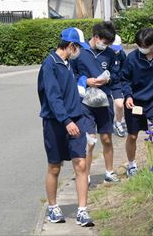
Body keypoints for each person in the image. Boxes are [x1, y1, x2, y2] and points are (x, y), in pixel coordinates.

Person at [37, 27, 94, 227]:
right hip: (56, 122)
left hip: (76, 118)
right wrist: (66, 121)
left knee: (81, 163)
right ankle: (53, 207)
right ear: (70, 46)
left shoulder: (70, 63)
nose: (79, 51)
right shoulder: (50, 65)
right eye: (78, 47)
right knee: (55, 166)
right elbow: (53, 97)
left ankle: (82, 210)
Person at [71, 21, 121, 184]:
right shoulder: (79, 51)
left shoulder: (110, 54)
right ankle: (85, 175)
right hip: (85, 102)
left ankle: (109, 172)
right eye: (105, 42)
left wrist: (107, 79)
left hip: (104, 101)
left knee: (106, 138)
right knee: (89, 141)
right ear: (96, 37)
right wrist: (87, 81)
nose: (106, 46)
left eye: (109, 44)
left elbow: (116, 75)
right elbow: (72, 75)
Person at [121, 27, 153, 177]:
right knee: (132, 136)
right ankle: (131, 165)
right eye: (140, 46)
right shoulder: (132, 58)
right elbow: (125, 79)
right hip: (135, 102)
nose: (142, 49)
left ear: (152, 44)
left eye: (145, 46)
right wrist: (128, 96)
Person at [110, 34, 127, 137]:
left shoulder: (121, 54)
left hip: (116, 83)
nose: (115, 50)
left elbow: (125, 69)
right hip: (103, 84)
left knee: (120, 104)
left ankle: (118, 122)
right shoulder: (103, 55)